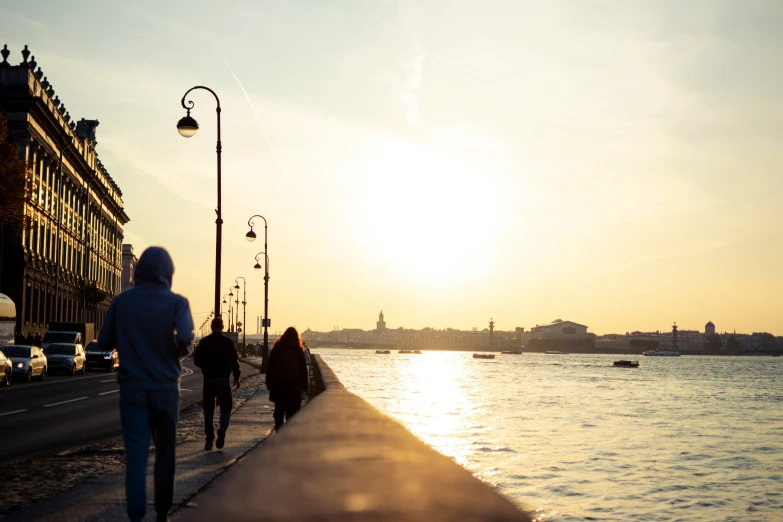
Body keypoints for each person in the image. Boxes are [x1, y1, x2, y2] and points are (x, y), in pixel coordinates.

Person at [98, 247, 194, 522]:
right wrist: (175, 351)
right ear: (168, 273)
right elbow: (186, 337)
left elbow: (104, 342)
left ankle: (136, 515)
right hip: (165, 388)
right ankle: (162, 511)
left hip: (132, 389)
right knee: (166, 452)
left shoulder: (122, 301)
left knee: (137, 451)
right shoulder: (177, 302)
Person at [193, 317, 240, 450]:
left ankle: (209, 440)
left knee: (208, 410)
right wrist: (236, 376)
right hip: (224, 379)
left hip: (208, 379)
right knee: (226, 407)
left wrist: (205, 367)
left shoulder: (204, 342)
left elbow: (196, 359)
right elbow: (234, 361)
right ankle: (222, 430)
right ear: (223, 327)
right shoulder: (228, 342)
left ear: (212, 327)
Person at [265, 327, 308, 430]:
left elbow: (270, 366)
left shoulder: (278, 347)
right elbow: (303, 369)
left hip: (279, 386)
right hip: (293, 387)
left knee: (279, 412)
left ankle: (279, 435)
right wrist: (304, 386)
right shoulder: (298, 349)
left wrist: (269, 383)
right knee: (292, 413)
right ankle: (288, 437)